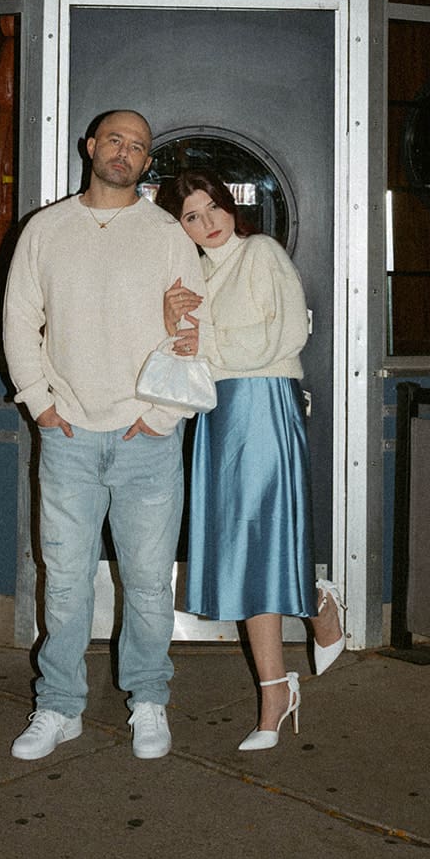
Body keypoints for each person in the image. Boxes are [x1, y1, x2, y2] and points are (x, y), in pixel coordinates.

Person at [3, 110, 210, 761]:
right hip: (66, 436)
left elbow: (191, 330)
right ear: (90, 146)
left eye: (138, 147)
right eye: (114, 140)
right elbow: (18, 319)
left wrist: (160, 417)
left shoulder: (165, 234)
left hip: (145, 437)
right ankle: (58, 706)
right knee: (62, 581)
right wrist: (39, 404)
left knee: (147, 582)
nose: (125, 152)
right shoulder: (45, 229)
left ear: (147, 163)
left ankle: (147, 700)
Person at [156, 169, 345, 752]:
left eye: (212, 207)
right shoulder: (187, 277)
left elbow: (281, 339)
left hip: (265, 406)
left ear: (229, 206)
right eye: (191, 216)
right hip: (217, 417)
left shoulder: (261, 253)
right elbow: (176, 356)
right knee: (239, 551)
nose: (208, 223)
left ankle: (314, 604)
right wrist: (173, 322)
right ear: (180, 227)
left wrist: (203, 342)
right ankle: (277, 687)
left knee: (264, 539)